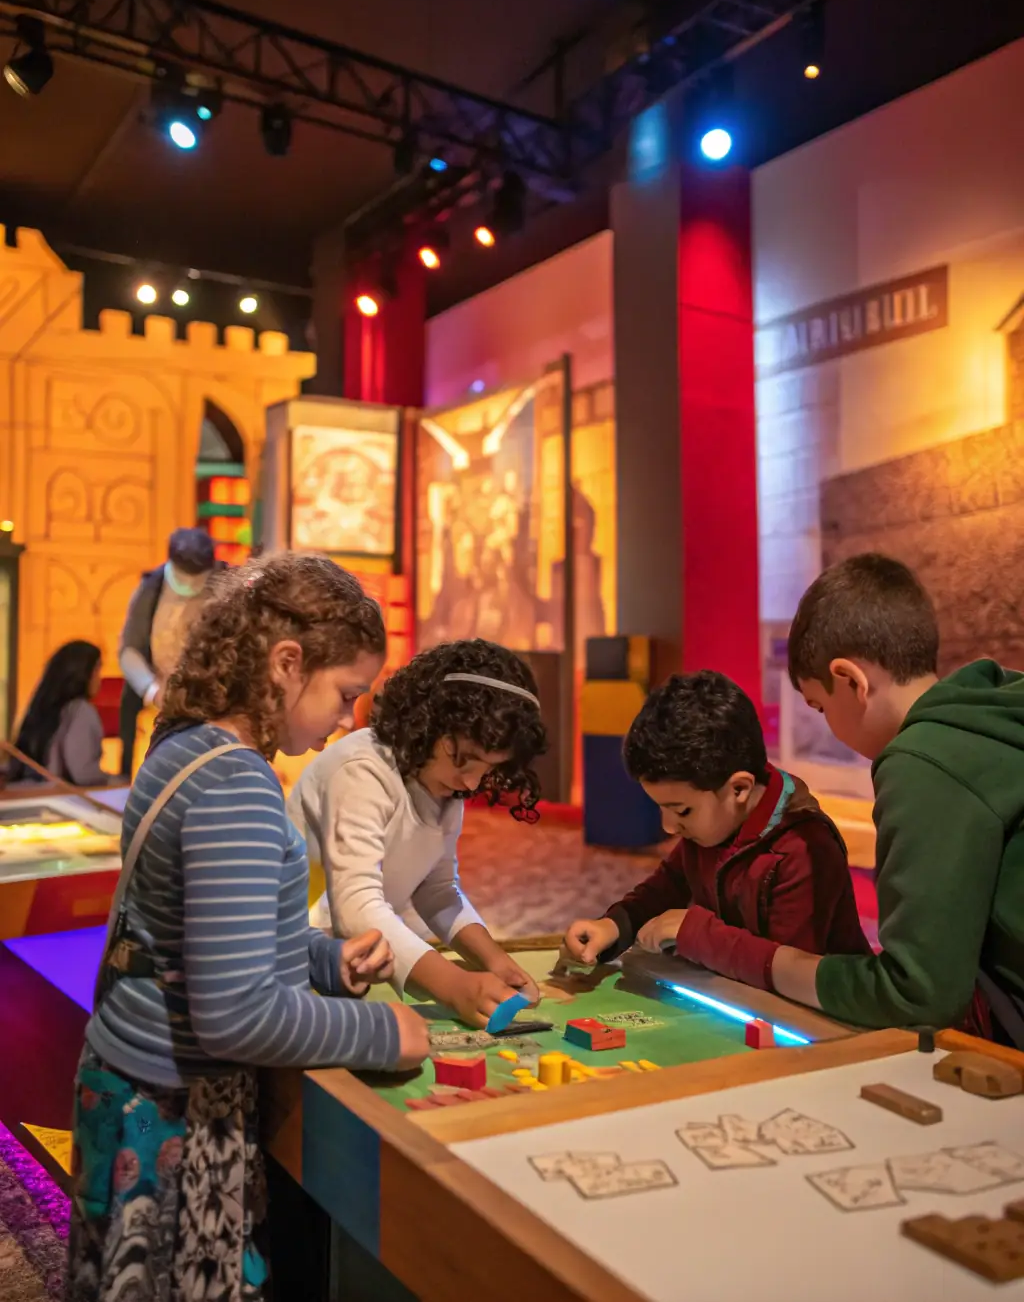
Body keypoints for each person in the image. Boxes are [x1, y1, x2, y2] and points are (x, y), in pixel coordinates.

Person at [67, 554, 429, 1302]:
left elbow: (201, 932)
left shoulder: (187, 744)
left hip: (129, 1077)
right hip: (175, 1112)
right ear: (287, 662)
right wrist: (385, 1033)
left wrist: (324, 961)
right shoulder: (238, 787)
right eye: (344, 693)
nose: (346, 720)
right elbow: (236, 1014)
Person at [772, 553, 1024, 1049]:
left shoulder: (922, 760)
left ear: (851, 680)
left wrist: (770, 965)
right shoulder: (995, 709)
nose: (827, 724)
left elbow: (918, 992)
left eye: (820, 706)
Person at [289, 639, 549, 1028]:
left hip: (354, 960)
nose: (472, 780)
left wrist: (494, 961)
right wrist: (455, 986)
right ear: (427, 723)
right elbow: (355, 908)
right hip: (297, 957)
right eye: (464, 758)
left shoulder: (445, 783)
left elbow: (438, 887)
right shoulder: (362, 768)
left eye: (489, 769)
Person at [563, 670, 870, 986]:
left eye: (682, 810)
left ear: (738, 789)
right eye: (661, 808)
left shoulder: (804, 849)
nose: (669, 827)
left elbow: (791, 970)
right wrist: (615, 925)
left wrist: (697, 934)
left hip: (823, 1023)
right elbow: (668, 886)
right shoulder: (714, 823)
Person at [118, 527, 222, 776]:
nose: (189, 585)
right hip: (158, 697)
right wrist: (152, 690)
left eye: (197, 578)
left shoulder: (227, 584)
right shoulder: (151, 589)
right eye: (183, 576)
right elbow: (129, 648)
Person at [5, 640, 116, 786]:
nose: (99, 680)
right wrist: (114, 781)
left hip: (23, 796)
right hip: (58, 801)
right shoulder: (80, 711)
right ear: (82, 674)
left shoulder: (41, 708)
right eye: (97, 670)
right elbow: (83, 773)